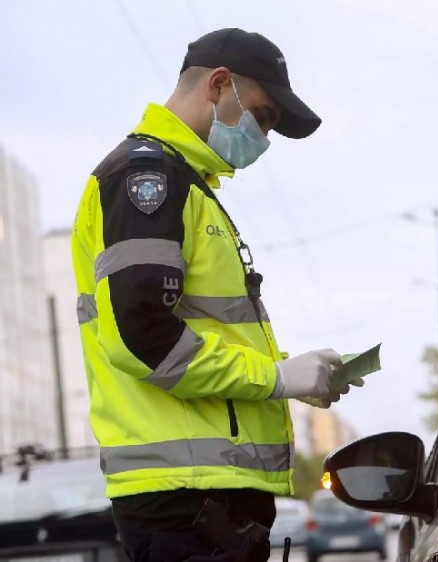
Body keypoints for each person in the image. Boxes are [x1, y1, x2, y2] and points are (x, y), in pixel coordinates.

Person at [71, 28, 359, 561]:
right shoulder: (146, 178)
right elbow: (141, 337)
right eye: (263, 116)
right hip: (185, 498)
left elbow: (196, 327)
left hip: (202, 496)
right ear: (220, 85)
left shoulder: (184, 183)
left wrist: (288, 376)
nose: (264, 138)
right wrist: (273, 378)